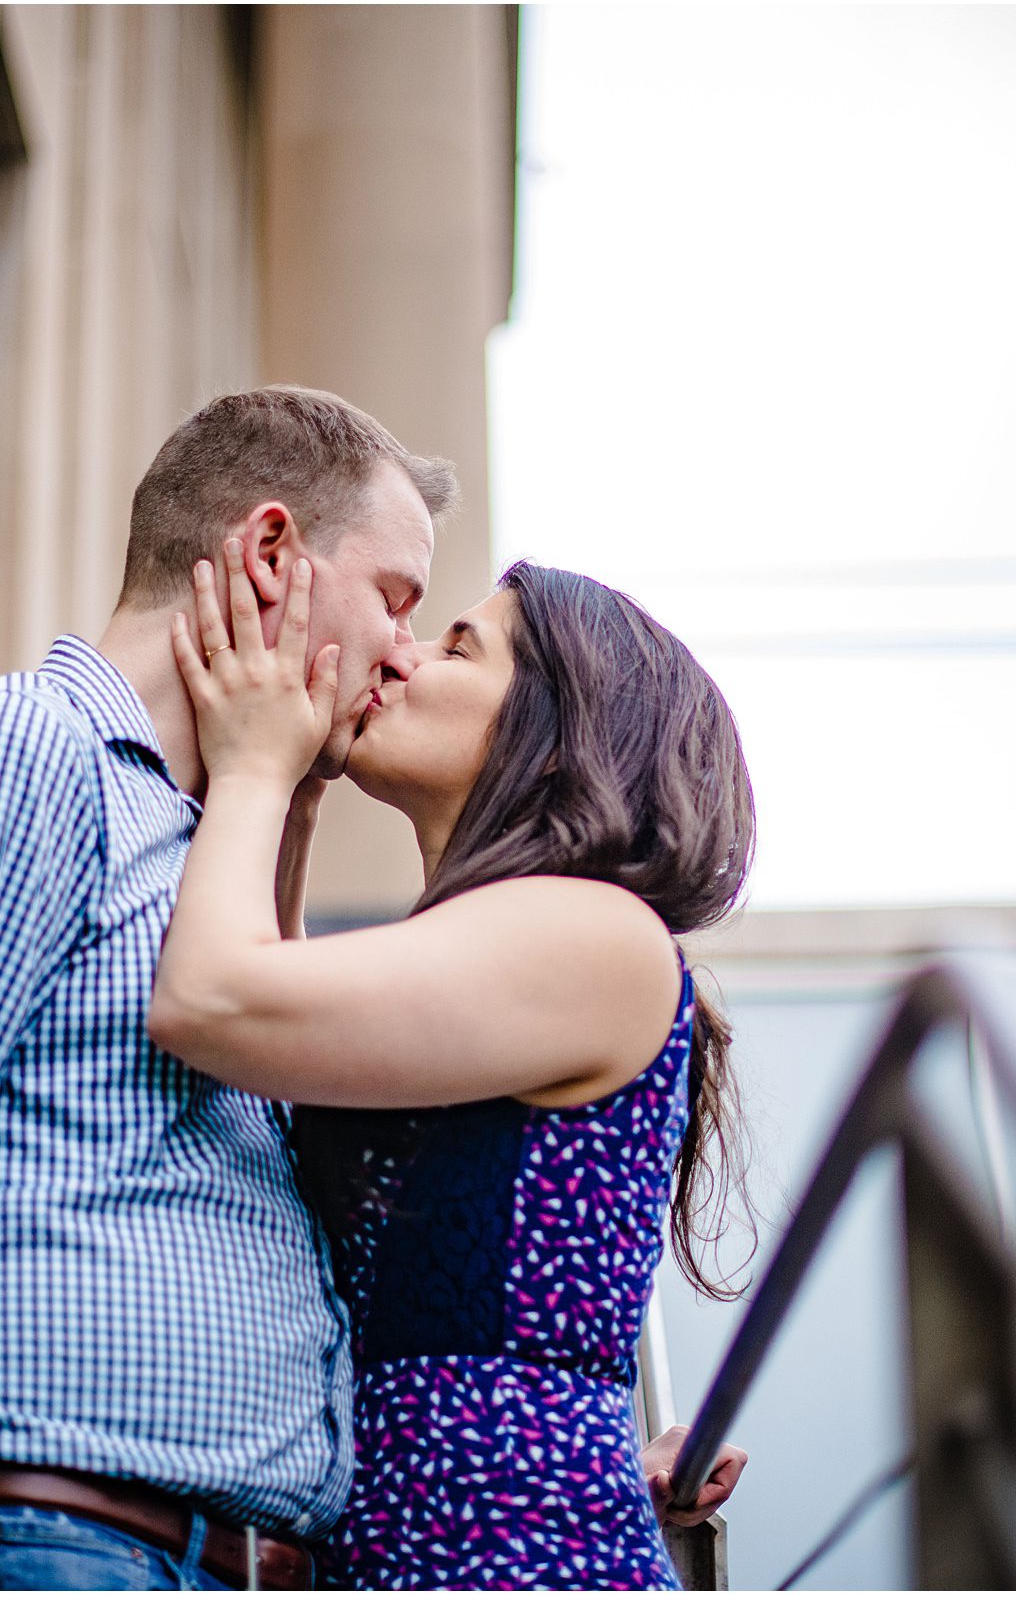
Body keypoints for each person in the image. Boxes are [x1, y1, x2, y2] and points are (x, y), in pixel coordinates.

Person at [0, 386, 451, 1591]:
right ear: (271, 553)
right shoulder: (14, 754)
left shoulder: (218, 864)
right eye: (397, 598)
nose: (407, 654)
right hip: (53, 1543)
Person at [149, 548, 757, 1588]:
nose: (401, 653)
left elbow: (211, 1000)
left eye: (457, 647)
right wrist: (295, 800)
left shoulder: (601, 933)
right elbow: (276, 1071)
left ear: (557, 736)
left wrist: (254, 768)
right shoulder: (514, 953)